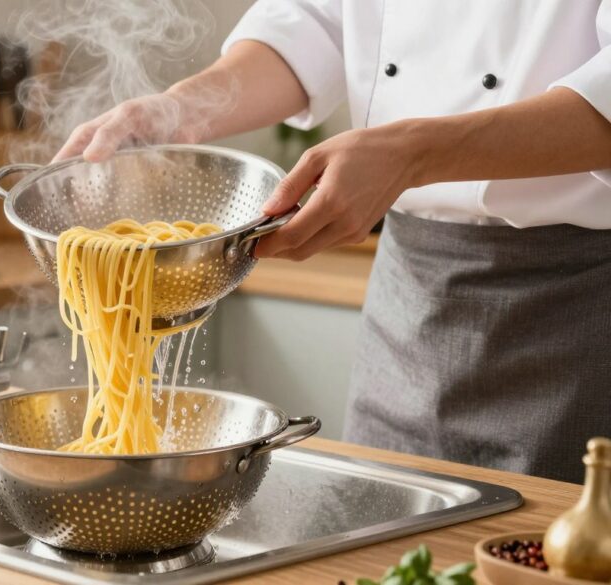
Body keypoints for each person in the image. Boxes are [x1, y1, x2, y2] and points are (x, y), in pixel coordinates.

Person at [54, 0, 611, 483]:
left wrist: (412, 153)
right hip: (405, 308)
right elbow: (313, 22)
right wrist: (179, 108)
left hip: (573, 311)